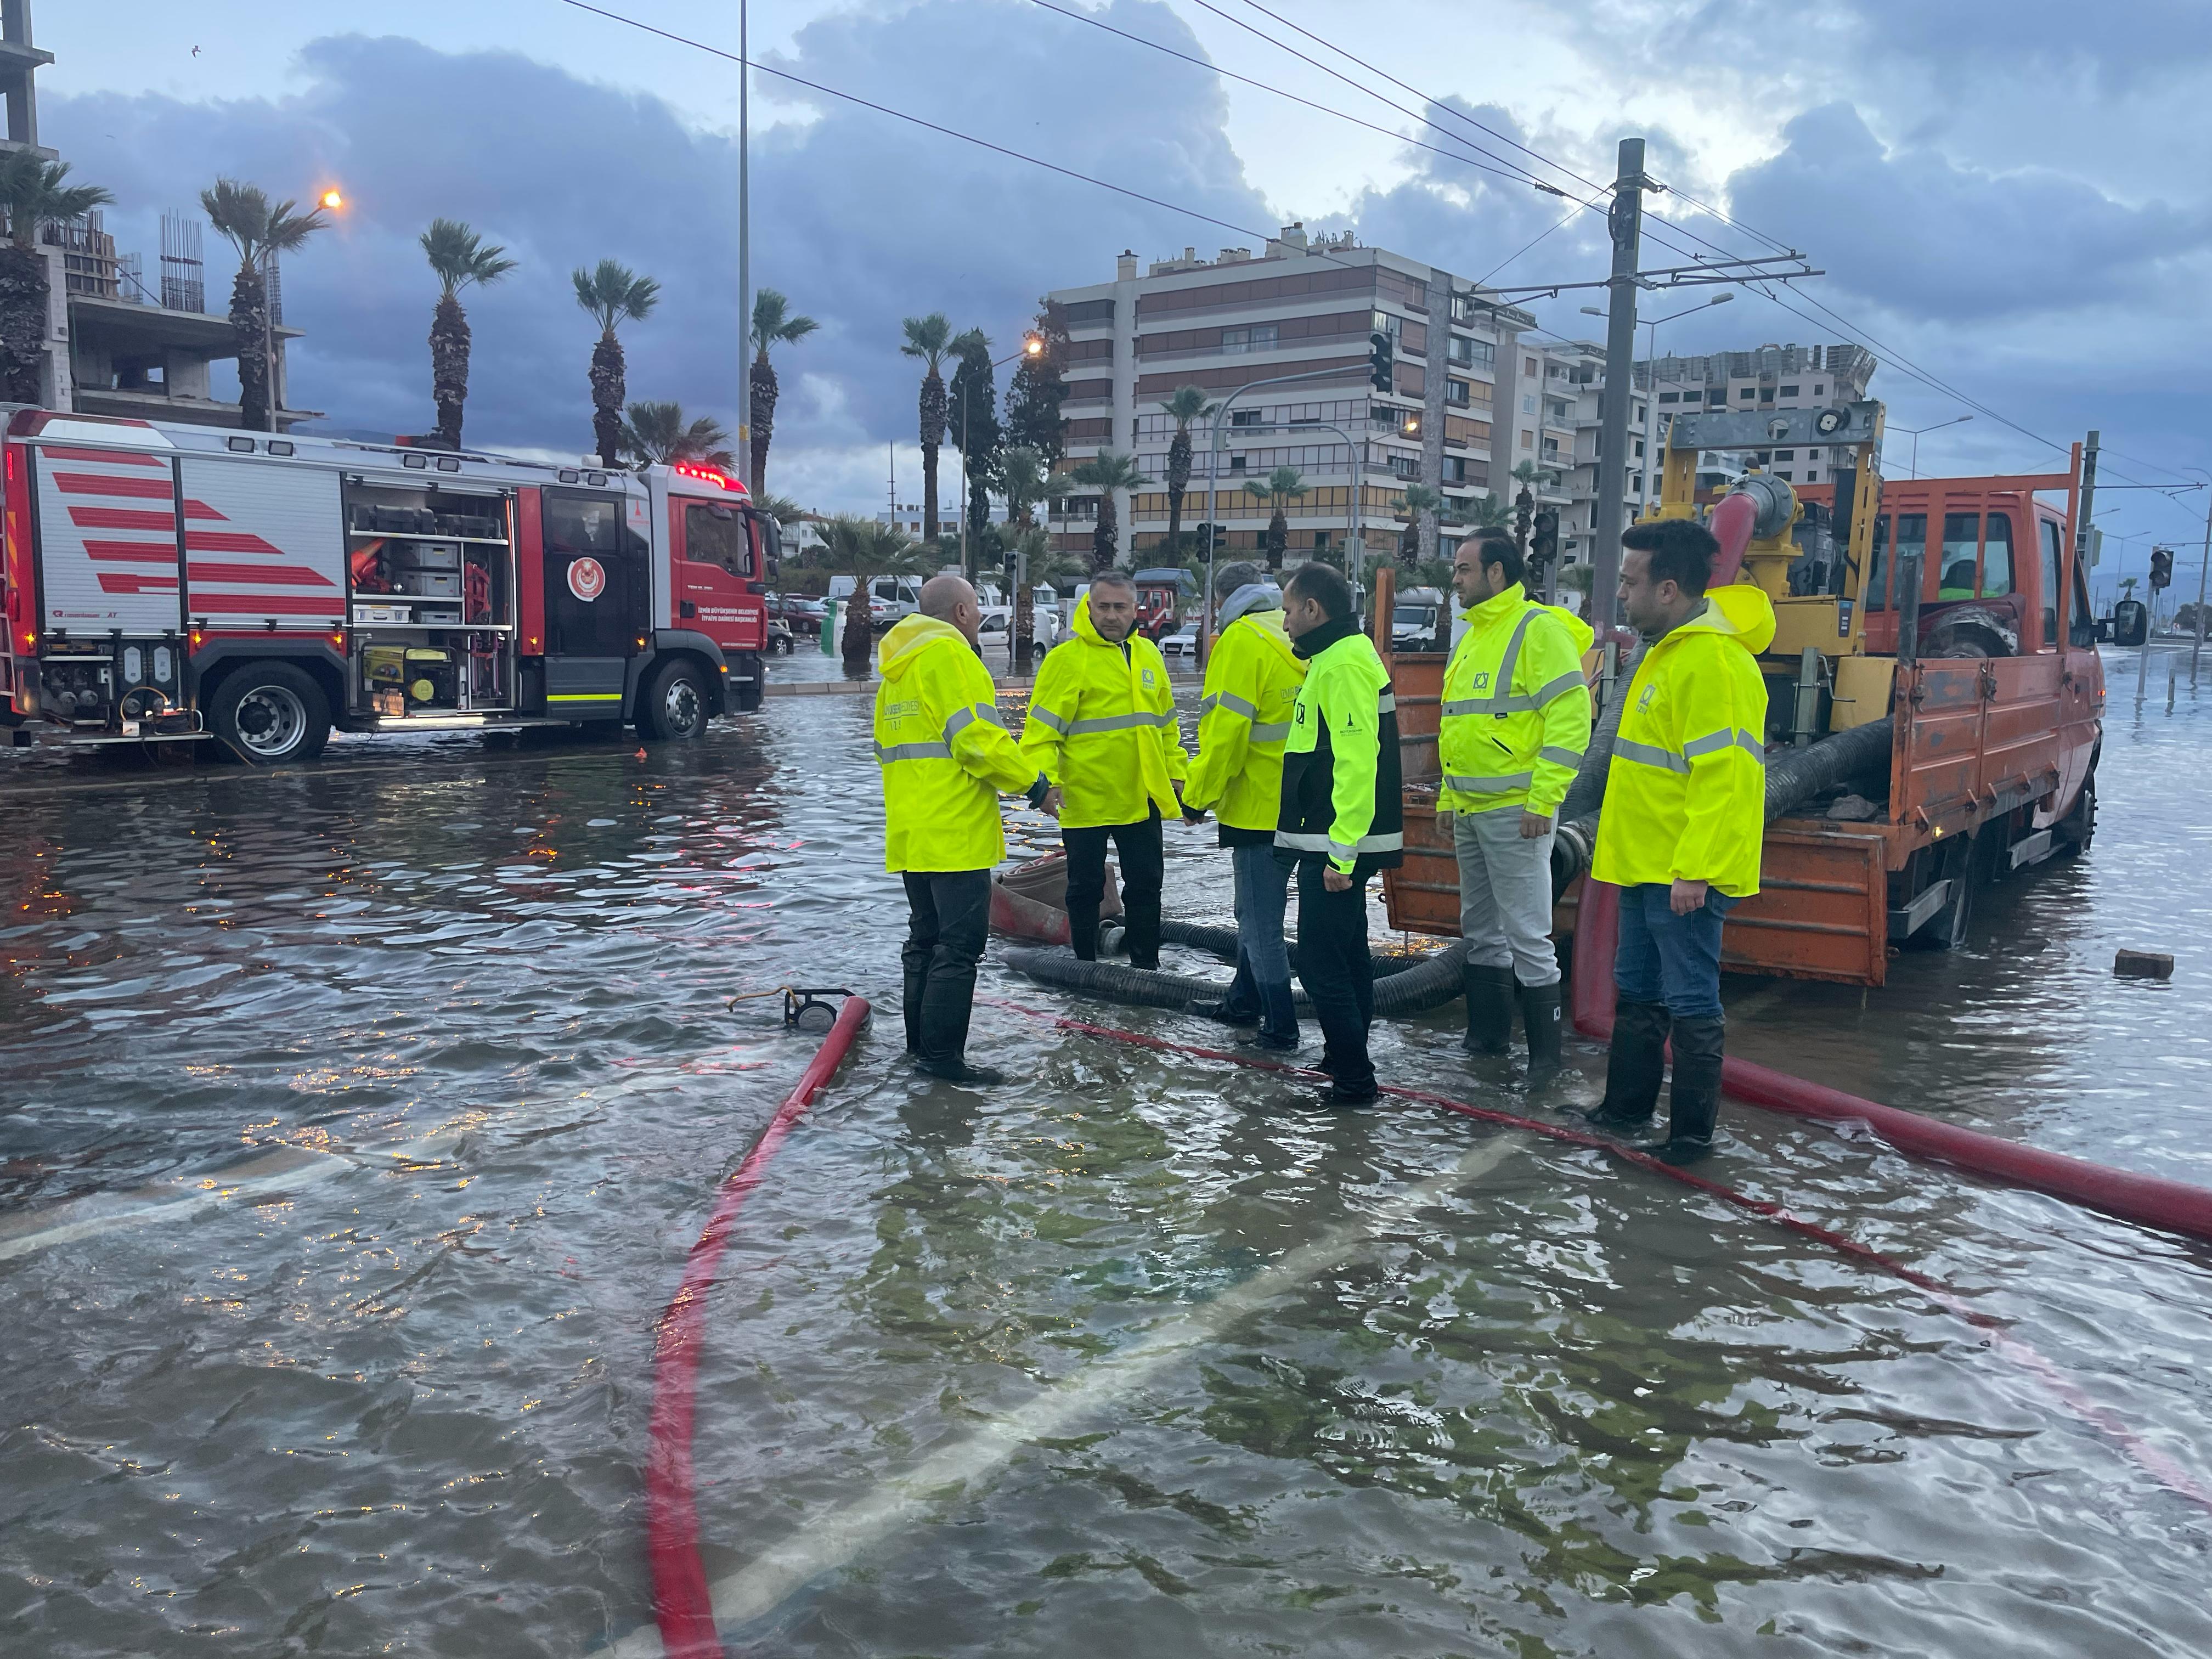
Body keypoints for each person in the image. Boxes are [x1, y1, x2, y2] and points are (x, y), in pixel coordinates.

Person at [1584, 519, 1774, 1164]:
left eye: (1629, 582)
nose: (1621, 594)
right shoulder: (1666, 653)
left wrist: (1696, 869)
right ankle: (1624, 1112)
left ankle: (1691, 1140)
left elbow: (1727, 780)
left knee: (1691, 999)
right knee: (1637, 988)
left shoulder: (1713, 662)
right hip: (1645, 864)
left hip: (1681, 872)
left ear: (1668, 589)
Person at [876, 574, 1055, 1085]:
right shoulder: (953, 657)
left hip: (911, 830)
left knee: (924, 941)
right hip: (955, 830)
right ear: (960, 613)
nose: (978, 619)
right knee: (958, 948)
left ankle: (919, 1052)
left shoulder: (897, 670)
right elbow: (978, 741)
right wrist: (1036, 786)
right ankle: (942, 1060)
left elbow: (884, 750)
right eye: (976, 611)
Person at [1437, 531, 1592, 1082]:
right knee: (1480, 930)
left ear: (1496, 573)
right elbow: (1458, 724)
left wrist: (1543, 800)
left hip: (1516, 812)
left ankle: (1545, 1066)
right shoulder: (1473, 636)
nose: (1456, 579)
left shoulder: (1536, 630)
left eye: (1464, 569)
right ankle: (1487, 1045)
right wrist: (1448, 796)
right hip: (1471, 810)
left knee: (1527, 935)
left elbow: (1571, 718)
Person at [1274, 562, 1402, 1105]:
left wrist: (1341, 854)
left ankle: (1354, 1080)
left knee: (1320, 964)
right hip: (1335, 839)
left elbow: (1356, 762)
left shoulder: (1344, 663)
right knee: (1348, 957)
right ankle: (1344, 1058)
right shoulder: (1338, 656)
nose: (1284, 623)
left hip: (1337, 843)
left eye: (1288, 611)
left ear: (1312, 609)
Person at [1019, 568, 1188, 968]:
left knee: (1147, 885)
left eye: (1120, 607)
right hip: (1085, 796)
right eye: (1103, 607)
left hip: (1141, 794)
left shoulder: (1149, 655)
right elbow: (1040, 734)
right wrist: (1047, 784)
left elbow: (1167, 726)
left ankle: (1147, 967)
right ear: (1089, 608)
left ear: (1135, 609)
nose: (1112, 616)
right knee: (1085, 888)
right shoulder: (1066, 661)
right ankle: (1085, 967)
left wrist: (1178, 773)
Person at [1183, 562, 1309, 1050]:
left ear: (1222, 601)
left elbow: (1226, 737)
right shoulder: (1295, 631)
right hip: (1307, 807)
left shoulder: (1239, 641)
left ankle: (1279, 1028)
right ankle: (1243, 1002)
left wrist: (1197, 798)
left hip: (1258, 808)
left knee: (1259, 926)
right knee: (1254, 913)